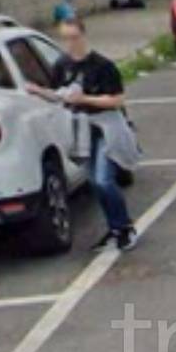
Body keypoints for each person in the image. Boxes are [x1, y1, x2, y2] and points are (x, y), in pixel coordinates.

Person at [26, 15, 138, 251]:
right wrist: (38, 91)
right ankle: (115, 228)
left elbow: (117, 99)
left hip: (104, 127)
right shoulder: (62, 66)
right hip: (80, 132)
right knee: (95, 182)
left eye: (74, 37)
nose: (70, 43)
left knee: (103, 180)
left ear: (83, 35)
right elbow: (59, 94)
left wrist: (85, 98)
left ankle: (125, 227)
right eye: (66, 38)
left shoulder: (102, 65)